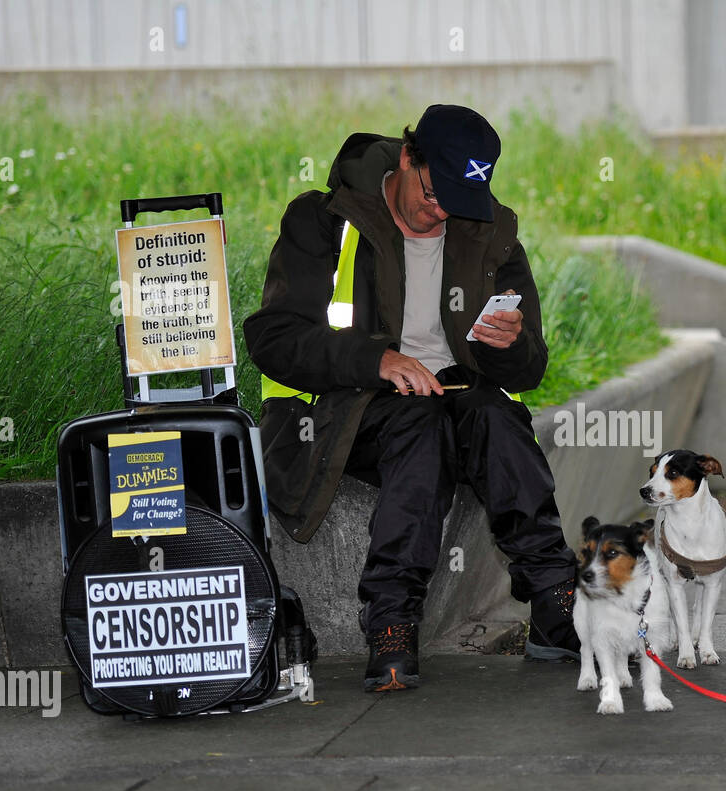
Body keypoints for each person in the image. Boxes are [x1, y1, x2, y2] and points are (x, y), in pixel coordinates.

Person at [244, 104, 580, 692]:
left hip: (454, 398)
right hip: (344, 411)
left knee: (497, 419)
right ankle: (392, 623)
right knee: (418, 423)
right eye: (432, 192)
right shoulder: (323, 222)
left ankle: (557, 602)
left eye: (457, 199)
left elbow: (529, 369)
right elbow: (273, 339)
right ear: (407, 158)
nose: (442, 211)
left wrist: (508, 344)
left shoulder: (490, 232)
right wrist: (375, 360)